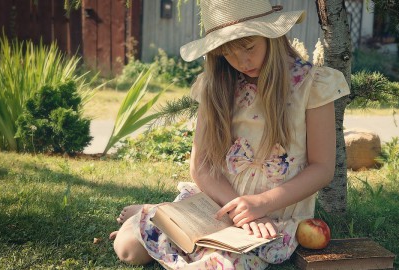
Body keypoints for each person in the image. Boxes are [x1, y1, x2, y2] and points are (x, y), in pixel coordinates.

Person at [109, 0, 350, 268]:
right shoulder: (216, 86)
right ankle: (151, 215)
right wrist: (243, 210)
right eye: (228, 52)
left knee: (219, 265)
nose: (242, 61)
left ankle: (153, 213)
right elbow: (201, 166)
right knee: (128, 249)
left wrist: (260, 205)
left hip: (274, 217)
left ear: (273, 35)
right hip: (220, 204)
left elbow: (322, 168)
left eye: (249, 48)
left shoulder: (312, 85)